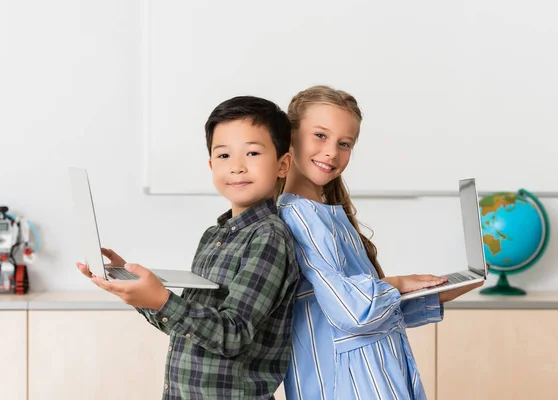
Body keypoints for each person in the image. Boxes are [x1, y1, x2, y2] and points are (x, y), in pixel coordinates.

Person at [77, 96, 300, 400]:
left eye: (252, 152)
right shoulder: (214, 236)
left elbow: (232, 334)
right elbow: (186, 324)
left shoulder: (269, 237)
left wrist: (162, 299)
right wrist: (136, 291)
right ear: (210, 165)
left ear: (283, 164)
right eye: (223, 156)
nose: (236, 167)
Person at [277, 85, 483, 400]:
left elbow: (358, 310)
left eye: (344, 143)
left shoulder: (324, 214)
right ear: (291, 136)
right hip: (350, 385)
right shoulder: (299, 216)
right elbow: (352, 311)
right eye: (320, 135)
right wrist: (398, 282)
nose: (332, 151)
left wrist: (437, 292)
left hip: (371, 375)